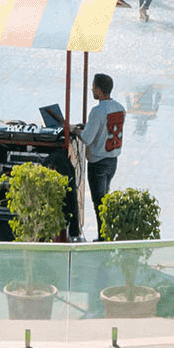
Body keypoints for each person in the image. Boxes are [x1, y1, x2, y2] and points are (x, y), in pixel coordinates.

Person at [76, 73, 125, 238]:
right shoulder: (120, 108)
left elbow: (87, 139)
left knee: (99, 203)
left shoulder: (97, 111)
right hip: (113, 161)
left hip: (98, 163)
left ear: (98, 89)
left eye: (92, 87)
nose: (91, 89)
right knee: (105, 200)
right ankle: (106, 234)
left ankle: (103, 237)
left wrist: (76, 130)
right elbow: (104, 130)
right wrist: (88, 127)